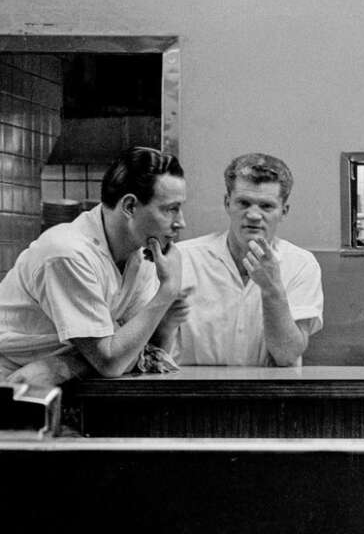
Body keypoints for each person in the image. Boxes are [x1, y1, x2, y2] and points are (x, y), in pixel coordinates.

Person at [0, 146, 188, 384]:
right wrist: (168, 291)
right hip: (12, 390)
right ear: (130, 206)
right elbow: (111, 362)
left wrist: (63, 366)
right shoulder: (68, 253)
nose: (181, 222)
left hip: (52, 382)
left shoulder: (141, 256)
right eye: (171, 209)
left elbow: (143, 353)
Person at [174, 153, 323, 366]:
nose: (253, 215)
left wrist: (272, 289)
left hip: (270, 396)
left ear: (284, 211)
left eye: (266, 206)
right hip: (195, 394)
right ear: (227, 203)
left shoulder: (301, 265)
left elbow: (287, 355)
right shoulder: (185, 258)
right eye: (244, 203)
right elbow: (160, 349)